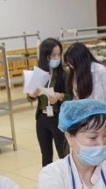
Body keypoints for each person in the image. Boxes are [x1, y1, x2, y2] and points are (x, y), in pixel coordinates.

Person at [27, 38, 70, 167]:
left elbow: (72, 97)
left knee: (64, 155)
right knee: (46, 156)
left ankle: (68, 180)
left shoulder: (64, 74)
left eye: (58, 54)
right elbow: (29, 97)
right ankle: (48, 183)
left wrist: (60, 96)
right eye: (53, 55)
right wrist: (32, 95)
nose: (56, 58)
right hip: (42, 117)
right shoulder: (37, 74)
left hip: (58, 118)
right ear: (45, 56)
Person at [63, 42, 106, 125]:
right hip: (85, 119)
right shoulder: (75, 72)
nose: (71, 66)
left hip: (103, 119)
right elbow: (76, 98)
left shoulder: (99, 71)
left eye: (72, 63)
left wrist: (105, 116)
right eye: (68, 63)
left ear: (80, 61)